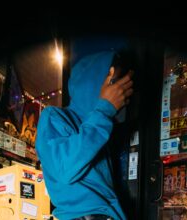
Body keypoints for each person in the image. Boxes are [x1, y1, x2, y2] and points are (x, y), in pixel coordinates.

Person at [36, 50, 134, 220]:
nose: (120, 92)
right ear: (95, 82)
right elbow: (64, 169)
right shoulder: (54, 116)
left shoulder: (101, 128)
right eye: (115, 82)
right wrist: (105, 109)